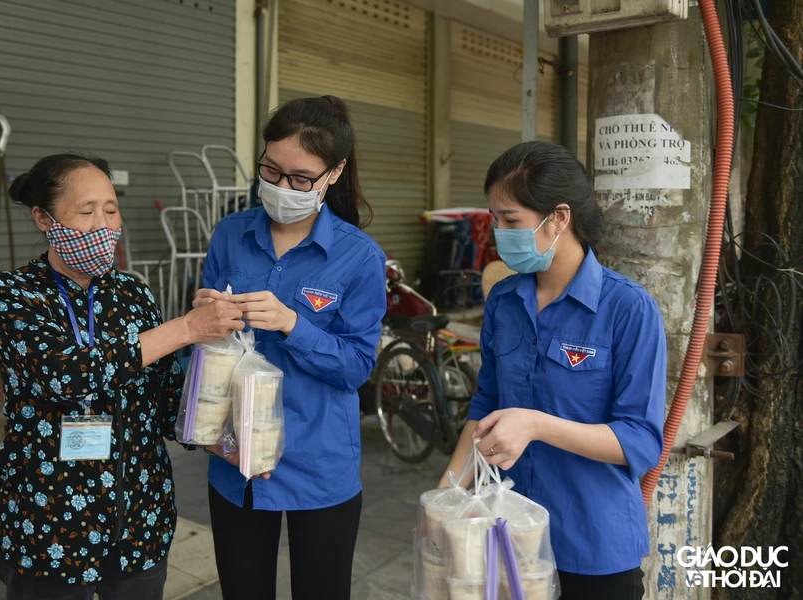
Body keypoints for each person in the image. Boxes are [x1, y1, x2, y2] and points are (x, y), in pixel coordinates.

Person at [0, 154, 245, 599]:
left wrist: (223, 439)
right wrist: (184, 329)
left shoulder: (133, 294)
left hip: (138, 521)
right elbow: (67, 375)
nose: (103, 225)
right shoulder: (11, 295)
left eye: (111, 209)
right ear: (44, 218)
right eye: (85, 212)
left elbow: (164, 400)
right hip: (52, 525)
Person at [440, 141, 666, 600]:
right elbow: (485, 404)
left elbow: (639, 439)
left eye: (511, 220)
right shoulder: (504, 301)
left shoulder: (627, 309)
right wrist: (444, 495)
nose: (498, 233)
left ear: (559, 218)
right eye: (494, 219)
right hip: (510, 536)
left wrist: (538, 426)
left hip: (593, 545)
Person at [192, 95, 386, 600]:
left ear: (334, 173)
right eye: (271, 171)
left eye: (300, 179)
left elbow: (357, 367)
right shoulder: (231, 234)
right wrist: (203, 319)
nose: (281, 188)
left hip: (318, 464)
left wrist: (292, 324)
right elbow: (204, 348)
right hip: (235, 460)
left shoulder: (360, 257)